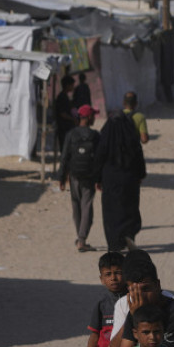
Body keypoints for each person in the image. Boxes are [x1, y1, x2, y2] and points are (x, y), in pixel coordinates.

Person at [93, 111, 145, 252]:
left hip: (111, 180)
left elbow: (99, 158)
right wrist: (140, 175)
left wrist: (97, 178)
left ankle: (115, 244)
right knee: (129, 208)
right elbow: (139, 156)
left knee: (111, 211)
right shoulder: (131, 137)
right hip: (130, 178)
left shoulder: (106, 138)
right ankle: (128, 235)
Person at [59, 104, 100, 252]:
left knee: (76, 207)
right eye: (93, 116)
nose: (94, 118)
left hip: (74, 175)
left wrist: (61, 177)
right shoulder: (95, 136)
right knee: (87, 206)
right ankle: (82, 240)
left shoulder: (71, 134)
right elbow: (100, 159)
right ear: (88, 117)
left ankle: (80, 237)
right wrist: (100, 179)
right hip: (88, 177)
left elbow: (64, 156)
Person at [54, 75, 76, 153]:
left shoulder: (65, 96)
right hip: (64, 128)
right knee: (65, 149)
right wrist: (73, 119)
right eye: (72, 85)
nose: (73, 87)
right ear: (67, 85)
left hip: (67, 128)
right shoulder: (62, 97)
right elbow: (62, 113)